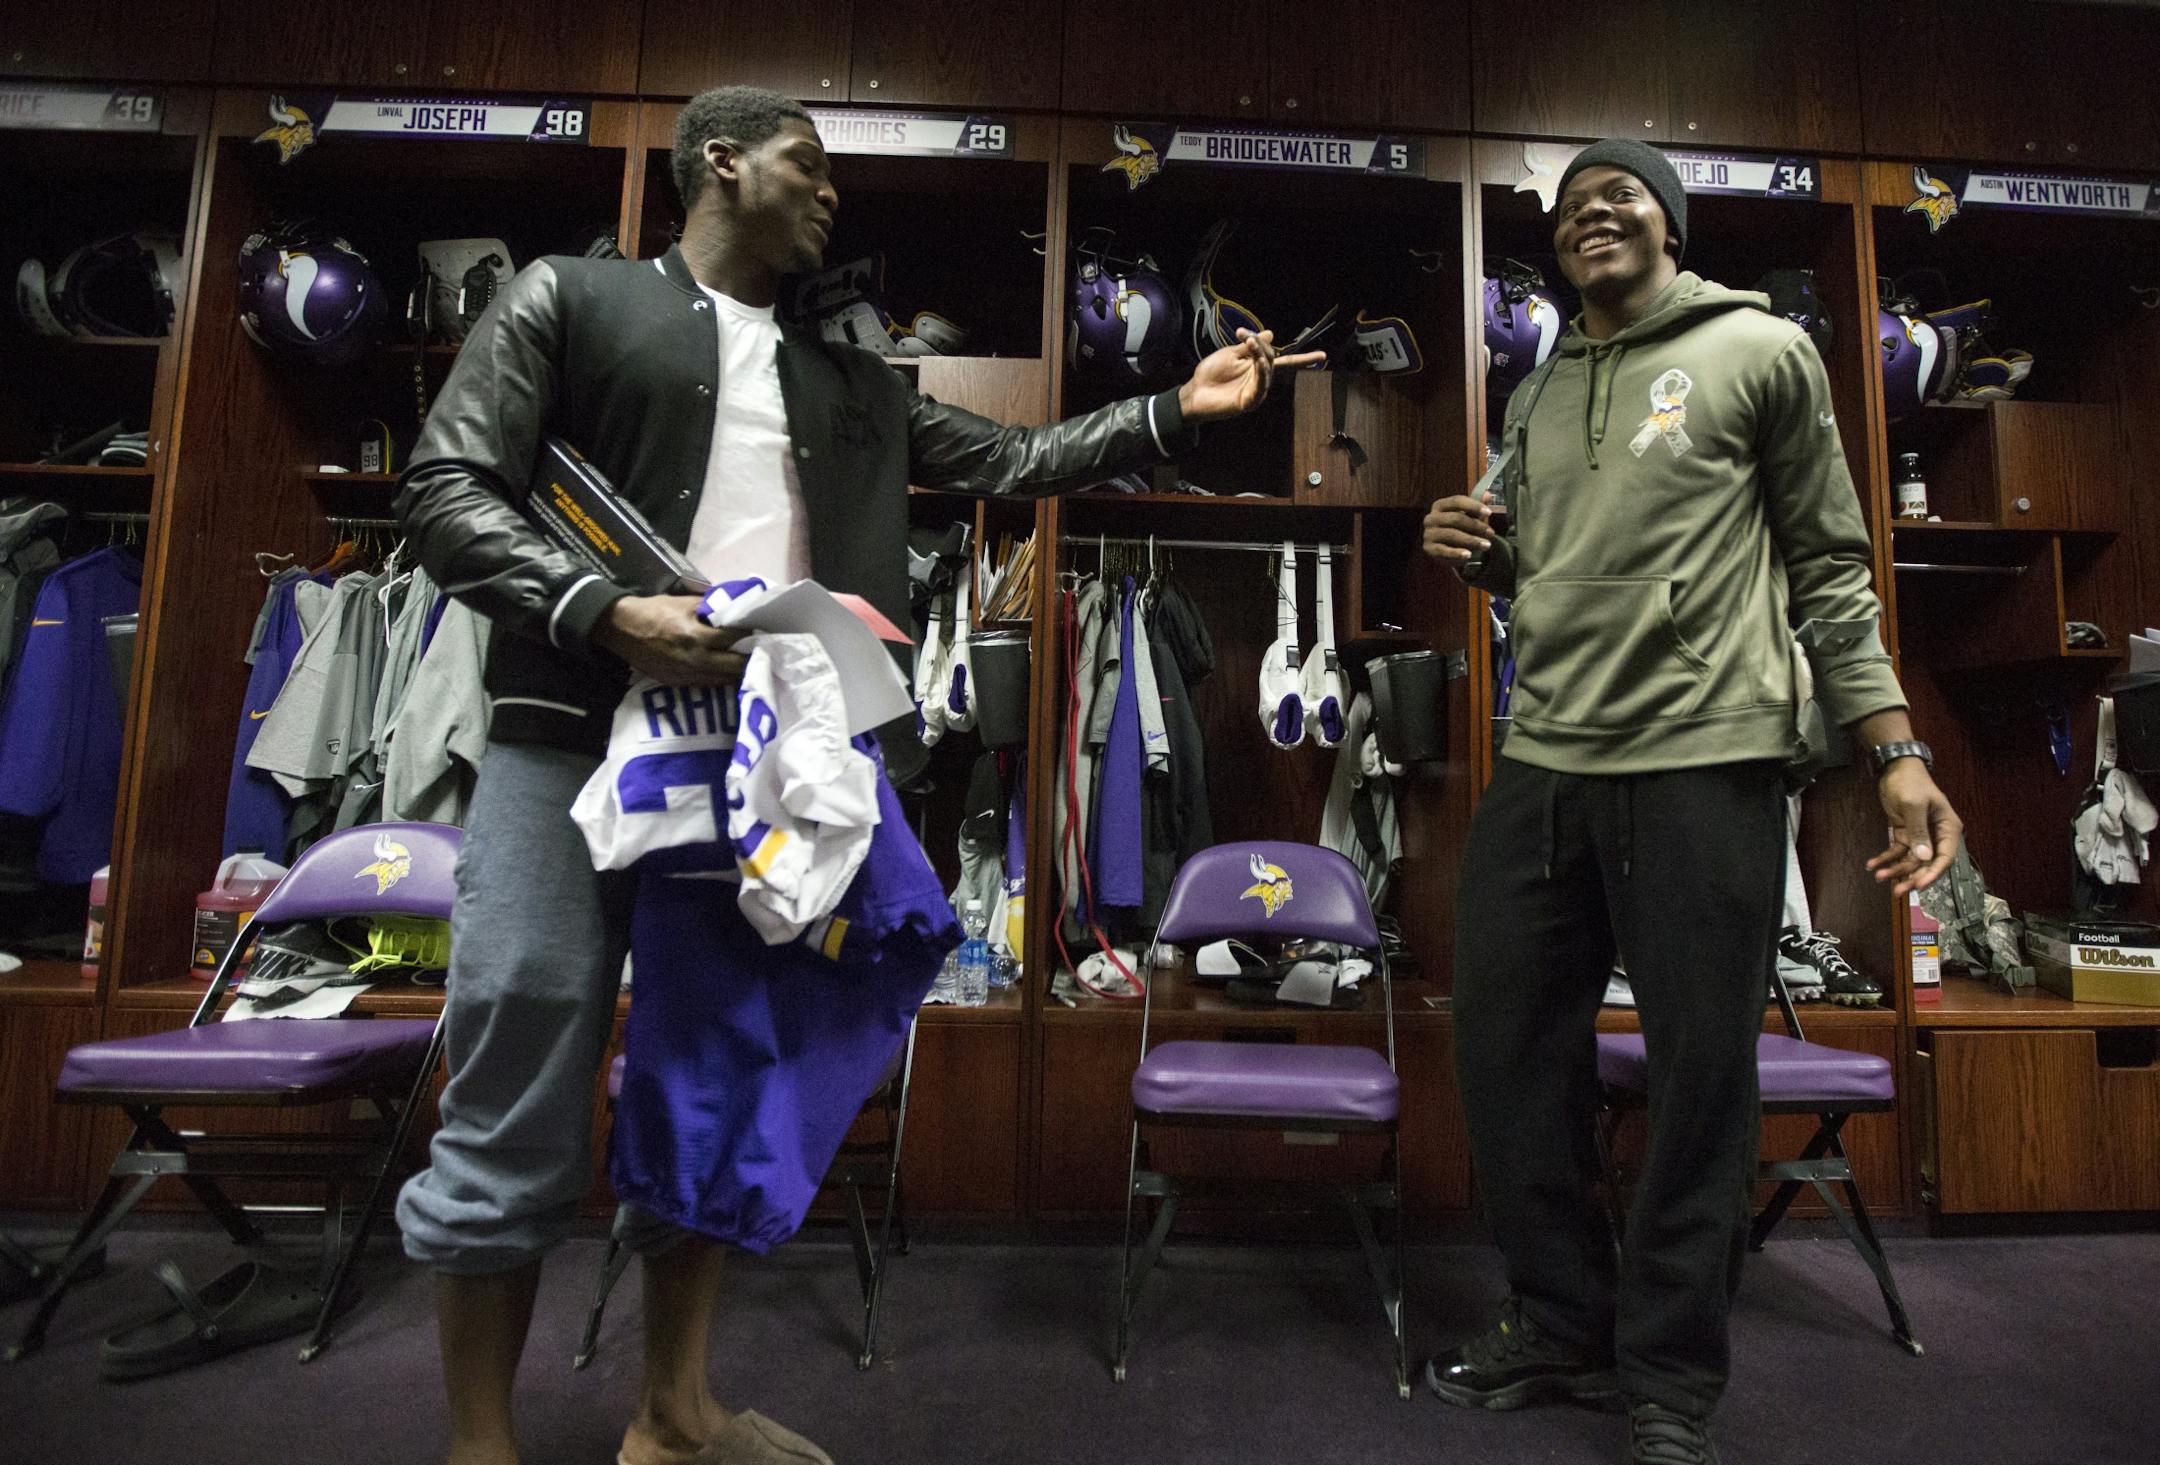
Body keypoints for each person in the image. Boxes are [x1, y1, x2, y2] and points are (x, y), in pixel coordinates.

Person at [393, 85, 1319, 1465]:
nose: (830, 194)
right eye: (806, 164)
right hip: (569, 737)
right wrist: (603, 611)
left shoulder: (850, 380)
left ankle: (675, 1415)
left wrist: (1175, 409)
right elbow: (446, 490)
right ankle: (480, 1445)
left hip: (757, 762)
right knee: (520, 1042)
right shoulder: (567, 300)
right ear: (721, 159)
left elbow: (1017, 456)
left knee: (712, 1073)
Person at [1419, 139, 1961, 1465]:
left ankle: (1668, 1370)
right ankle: (1561, 1313)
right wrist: (1483, 560)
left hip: (1705, 758)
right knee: (1502, 1051)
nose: (1593, 216)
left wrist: (1892, 747)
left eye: (1621, 197)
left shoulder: (1761, 351)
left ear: (1668, 221)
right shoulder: (1539, 394)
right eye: (1571, 208)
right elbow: (1548, 567)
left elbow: (1830, 565)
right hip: (1548, 755)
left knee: (1702, 1077)